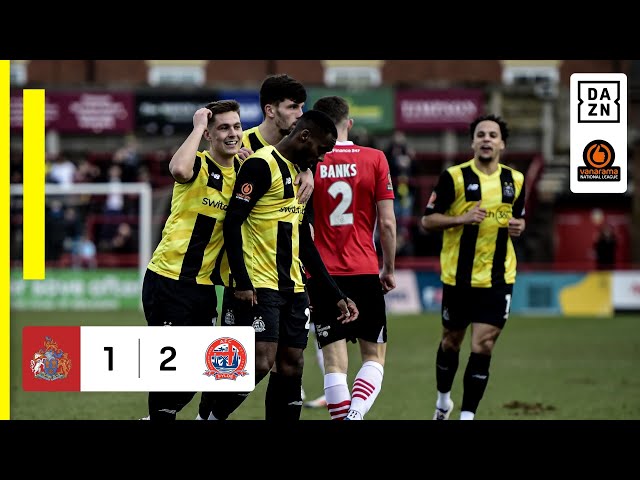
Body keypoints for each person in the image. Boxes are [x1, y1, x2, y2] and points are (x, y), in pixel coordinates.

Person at [202, 109, 359, 421]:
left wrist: (335, 293)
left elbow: (304, 239)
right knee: (260, 362)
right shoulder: (261, 165)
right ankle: (206, 418)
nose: (323, 157)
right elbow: (232, 224)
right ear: (304, 137)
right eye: (322, 149)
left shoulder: (300, 176)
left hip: (293, 286)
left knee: (292, 364)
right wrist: (242, 282)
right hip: (259, 285)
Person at [198, 73, 316, 418]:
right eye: (293, 107)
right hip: (245, 275)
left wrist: (309, 166)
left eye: (302, 108)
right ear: (270, 110)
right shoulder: (238, 143)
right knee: (244, 362)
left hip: (288, 276)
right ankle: (206, 415)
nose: (299, 114)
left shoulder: (299, 153)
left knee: (289, 363)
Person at [140, 100, 244, 420]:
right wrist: (198, 126)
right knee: (179, 369)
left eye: (237, 127)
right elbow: (179, 170)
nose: (232, 133)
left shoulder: (243, 173)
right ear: (210, 135)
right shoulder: (197, 164)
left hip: (203, 286)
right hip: (169, 279)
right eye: (223, 127)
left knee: (204, 368)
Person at [421, 114, 526, 420]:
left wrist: (519, 225)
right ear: (472, 142)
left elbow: (518, 217)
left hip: (498, 277)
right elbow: (428, 220)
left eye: (493, 135)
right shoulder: (453, 177)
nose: (486, 139)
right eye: (481, 134)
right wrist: (460, 219)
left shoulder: (515, 180)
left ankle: (468, 416)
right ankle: (443, 402)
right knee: (451, 342)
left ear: (501, 143)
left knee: (483, 344)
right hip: (458, 278)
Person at [305, 96, 396, 420]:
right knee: (373, 357)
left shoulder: (310, 162)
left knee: (333, 363)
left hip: (323, 273)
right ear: (349, 123)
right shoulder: (375, 158)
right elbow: (386, 222)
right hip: (363, 268)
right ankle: (356, 414)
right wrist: (388, 267)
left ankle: (344, 416)